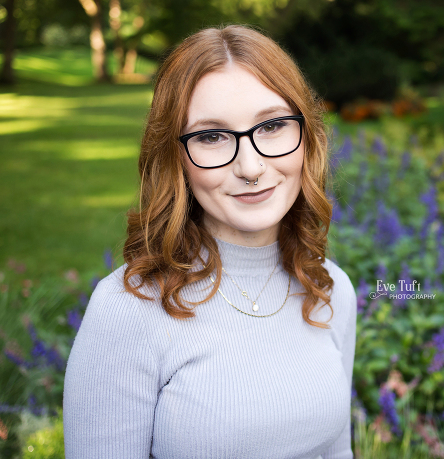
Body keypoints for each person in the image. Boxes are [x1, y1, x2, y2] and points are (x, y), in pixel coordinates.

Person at [62, 25, 357, 459]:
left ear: (307, 135)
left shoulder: (330, 289)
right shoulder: (128, 311)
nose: (251, 166)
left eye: (273, 125)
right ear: (175, 158)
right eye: (211, 137)